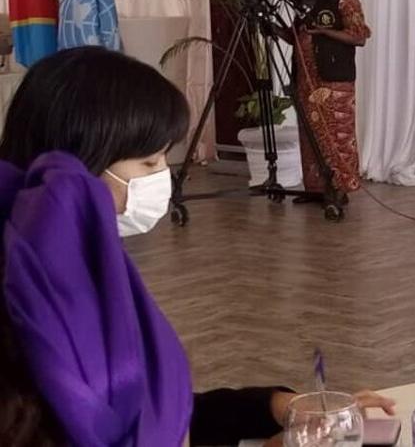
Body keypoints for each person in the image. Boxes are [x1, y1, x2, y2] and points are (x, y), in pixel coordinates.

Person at [0, 47, 393, 446]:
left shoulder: (79, 272)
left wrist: (277, 407)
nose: (163, 177)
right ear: (80, 165)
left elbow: (153, 414)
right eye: (149, 163)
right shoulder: (26, 315)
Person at [291, 0, 371, 203]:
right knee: (310, 134)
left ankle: (339, 188)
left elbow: (359, 37)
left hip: (334, 78)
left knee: (337, 134)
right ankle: (315, 189)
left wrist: (325, 32)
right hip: (306, 77)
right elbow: (298, 36)